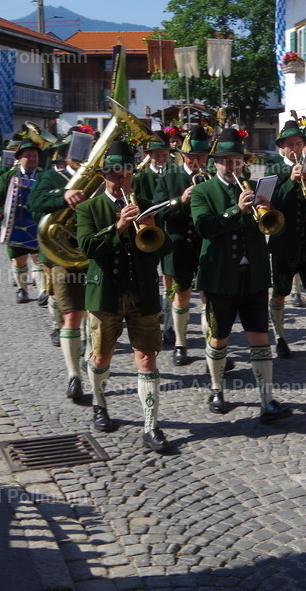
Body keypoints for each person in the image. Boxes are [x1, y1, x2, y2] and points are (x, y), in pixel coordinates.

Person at [75, 140, 175, 453]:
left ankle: (150, 425)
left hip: (142, 292)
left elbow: (165, 248)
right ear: (104, 176)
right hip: (105, 294)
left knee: (147, 357)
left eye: (128, 175)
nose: (123, 181)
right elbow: (88, 247)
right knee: (101, 356)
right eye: (116, 176)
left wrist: (152, 227)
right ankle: (100, 405)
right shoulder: (89, 208)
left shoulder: (145, 203)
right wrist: (118, 226)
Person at [190, 127, 293, 423]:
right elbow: (204, 227)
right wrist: (236, 211)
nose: (232, 165)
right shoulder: (202, 191)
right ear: (215, 162)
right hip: (221, 276)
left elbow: (275, 228)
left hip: (255, 275)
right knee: (220, 337)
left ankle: (266, 399)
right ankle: (217, 389)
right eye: (226, 160)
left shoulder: (255, 188)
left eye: (236, 160)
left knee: (260, 337)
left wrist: (266, 210)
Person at [27, 134, 90, 401]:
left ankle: (91, 357)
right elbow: (34, 204)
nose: (82, 159)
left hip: (96, 253)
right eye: (76, 153)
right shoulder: (48, 178)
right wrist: (63, 196)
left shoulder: (96, 178)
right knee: (73, 314)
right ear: (64, 155)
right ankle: (74, 375)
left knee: (96, 315)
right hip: (66, 256)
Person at [265, 117, 306, 362]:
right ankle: (280, 337)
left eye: (298, 144)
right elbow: (271, 204)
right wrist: (290, 181)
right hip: (284, 243)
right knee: (280, 293)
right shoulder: (272, 170)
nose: (295, 149)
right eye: (290, 144)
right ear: (282, 147)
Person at [153, 127, 211, 366]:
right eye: (192, 156)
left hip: (205, 245)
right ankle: (180, 343)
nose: (196, 160)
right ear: (183, 156)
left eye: (201, 156)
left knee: (209, 296)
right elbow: (159, 214)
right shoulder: (168, 178)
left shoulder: (211, 178)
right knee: (182, 294)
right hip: (179, 246)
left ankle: (211, 343)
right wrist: (181, 200)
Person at [0, 136, 44, 303]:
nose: (32, 158)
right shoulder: (9, 176)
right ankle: (22, 290)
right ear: (20, 157)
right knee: (19, 259)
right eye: (28, 155)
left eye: (34, 155)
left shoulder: (43, 176)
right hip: (15, 225)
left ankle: (43, 292)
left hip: (37, 225)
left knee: (38, 259)